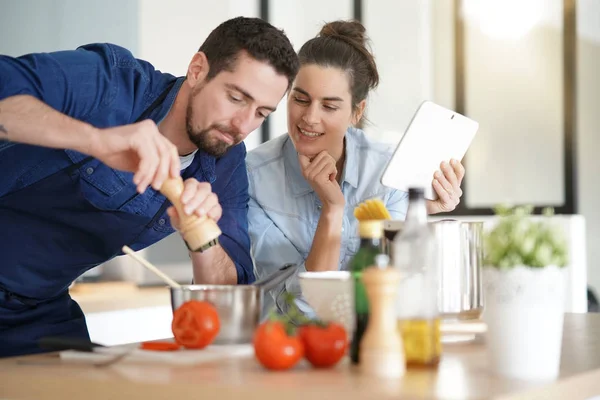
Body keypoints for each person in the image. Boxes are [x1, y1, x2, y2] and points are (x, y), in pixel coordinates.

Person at [0, 16, 299, 357]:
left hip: (37, 309)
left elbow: (223, 297)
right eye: (236, 98)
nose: (243, 125)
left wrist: (202, 238)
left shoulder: (225, 161)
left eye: (261, 112)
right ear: (198, 70)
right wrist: (95, 140)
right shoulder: (113, 82)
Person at [246, 20, 465, 314]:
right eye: (300, 99)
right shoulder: (253, 177)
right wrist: (332, 210)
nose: (309, 118)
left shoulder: (388, 172)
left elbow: (398, 287)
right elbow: (302, 309)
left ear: (356, 112)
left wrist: (417, 210)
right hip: (287, 348)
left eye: (329, 106)